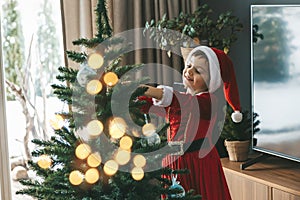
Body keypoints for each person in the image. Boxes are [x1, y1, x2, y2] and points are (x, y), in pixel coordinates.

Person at [138, 45, 243, 200]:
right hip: (173, 161)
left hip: (198, 163)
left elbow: (181, 102)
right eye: (188, 65)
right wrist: (136, 100)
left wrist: (147, 90)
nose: (189, 71)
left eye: (198, 71)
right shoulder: (183, 97)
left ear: (211, 80)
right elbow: (158, 106)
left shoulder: (208, 102)